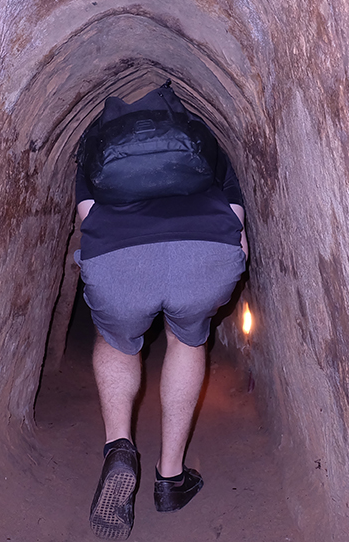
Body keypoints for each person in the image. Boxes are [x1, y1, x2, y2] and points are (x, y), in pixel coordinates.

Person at [73, 83, 248, 540]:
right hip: (206, 249)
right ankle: (170, 479)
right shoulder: (201, 136)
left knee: (116, 341)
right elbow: (236, 214)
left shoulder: (97, 141)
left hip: (117, 254)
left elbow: (87, 215)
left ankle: (118, 447)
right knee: (188, 337)